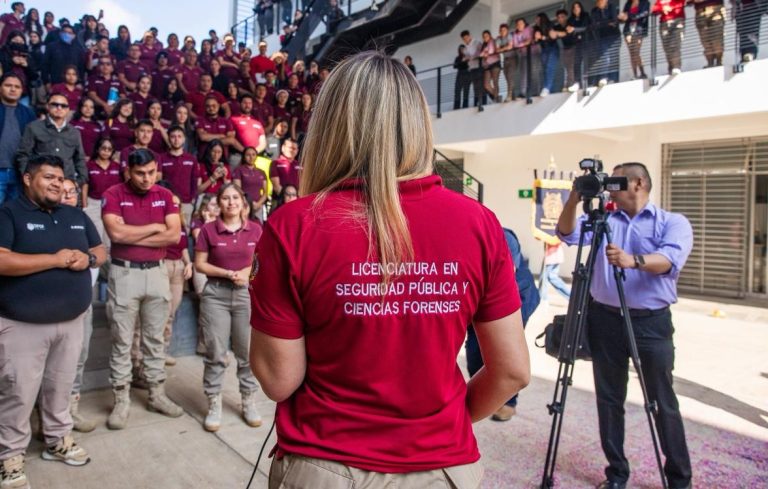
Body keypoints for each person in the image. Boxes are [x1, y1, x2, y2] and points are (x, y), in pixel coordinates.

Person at [249, 52, 530, 487]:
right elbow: (512, 371)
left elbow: (279, 381)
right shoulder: (479, 224)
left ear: (329, 127)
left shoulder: (293, 226)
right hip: (444, 469)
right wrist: (446, 423)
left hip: (326, 466)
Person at [556, 162, 693, 489]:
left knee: (662, 401)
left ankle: (679, 479)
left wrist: (633, 261)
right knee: (609, 399)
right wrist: (575, 197)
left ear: (639, 183)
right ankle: (616, 473)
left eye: (616, 180)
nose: (609, 186)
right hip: (605, 320)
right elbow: (567, 233)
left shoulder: (671, 222)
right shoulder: (603, 220)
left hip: (651, 324)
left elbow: (670, 260)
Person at [0, 155, 106, 489]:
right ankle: (9, 456)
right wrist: (55, 260)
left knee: (60, 386)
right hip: (23, 324)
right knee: (18, 392)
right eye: (49, 177)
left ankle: (57, 439)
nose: (57, 184)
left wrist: (88, 258)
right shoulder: (9, 214)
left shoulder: (75, 215)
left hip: (71, 321)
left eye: (60, 179)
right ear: (28, 178)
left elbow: (100, 250)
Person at [101, 148, 185, 430]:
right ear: (128, 171)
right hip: (124, 273)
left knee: (155, 338)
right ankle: (121, 399)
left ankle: (156, 394)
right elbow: (116, 234)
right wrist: (154, 227)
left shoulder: (164, 195)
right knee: (122, 340)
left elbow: (173, 236)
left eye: (151, 172)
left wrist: (133, 234)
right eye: (140, 173)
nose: (147, 178)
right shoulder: (114, 194)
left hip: (157, 273)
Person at [195, 183, 263, 432]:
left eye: (235, 197)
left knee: (247, 353)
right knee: (215, 352)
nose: (231, 202)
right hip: (216, 295)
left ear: (243, 201)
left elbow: (261, 262)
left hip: (245, 295)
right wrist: (227, 273)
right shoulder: (208, 230)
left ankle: (248, 400)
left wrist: (246, 272)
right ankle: (214, 402)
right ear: (219, 202)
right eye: (225, 198)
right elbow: (200, 264)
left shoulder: (255, 229)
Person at [465, 228, 540, 421]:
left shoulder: (500, 237)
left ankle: (508, 402)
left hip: (515, 295)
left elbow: (504, 280)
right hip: (477, 296)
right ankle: (489, 397)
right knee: (474, 351)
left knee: (505, 353)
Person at [16, 93, 88, 188]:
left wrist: (78, 182)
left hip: (65, 184)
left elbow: (80, 159)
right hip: (40, 184)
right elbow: (23, 155)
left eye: (63, 106)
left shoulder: (74, 132)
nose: (59, 108)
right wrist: (30, 179)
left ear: (68, 110)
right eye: (55, 104)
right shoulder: (33, 127)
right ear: (48, 106)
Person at [156, 183, 193, 367]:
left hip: (178, 267)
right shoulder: (158, 223)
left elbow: (184, 247)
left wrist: (189, 264)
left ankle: (163, 352)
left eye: (178, 204)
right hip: (161, 265)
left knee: (170, 313)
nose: (175, 207)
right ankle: (151, 355)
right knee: (158, 313)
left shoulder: (180, 224)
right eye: (172, 204)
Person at [0, 73, 35, 205]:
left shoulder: (28, 113)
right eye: (8, 85)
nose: (13, 89)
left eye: (17, 87)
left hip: (19, 172)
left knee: (14, 212)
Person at [82, 137, 120, 245]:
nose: (106, 151)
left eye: (109, 149)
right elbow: (85, 185)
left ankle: (108, 256)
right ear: (98, 149)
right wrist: (85, 206)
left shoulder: (116, 166)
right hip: (93, 203)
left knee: (109, 236)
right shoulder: (89, 165)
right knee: (96, 236)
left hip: (111, 204)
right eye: (103, 148)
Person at [158, 125, 199, 224]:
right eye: (173, 136)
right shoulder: (161, 158)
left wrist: (192, 200)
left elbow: (194, 181)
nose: (176, 139)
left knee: (185, 230)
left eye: (179, 136)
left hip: (186, 202)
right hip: (167, 201)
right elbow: (159, 181)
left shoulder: (191, 159)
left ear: (184, 139)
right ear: (168, 138)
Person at [589, 0, 622, 86]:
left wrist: (601, 23)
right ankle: (603, 77)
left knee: (613, 57)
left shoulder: (611, 6)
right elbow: (594, 25)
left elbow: (614, 21)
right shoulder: (594, 11)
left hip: (614, 36)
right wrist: (607, 23)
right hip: (602, 37)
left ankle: (613, 79)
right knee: (605, 57)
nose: (599, 2)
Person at [651, 0, 686, 76]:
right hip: (664, 24)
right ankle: (671, 68)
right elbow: (654, 8)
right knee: (666, 47)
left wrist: (671, 7)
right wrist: (662, 8)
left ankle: (676, 67)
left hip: (677, 21)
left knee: (674, 45)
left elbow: (681, 3)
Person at [618, 0, 650, 80]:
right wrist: (621, 18)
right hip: (628, 30)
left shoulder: (645, 3)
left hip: (638, 30)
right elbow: (624, 18)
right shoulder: (628, 3)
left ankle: (642, 73)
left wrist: (628, 16)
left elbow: (643, 14)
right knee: (632, 53)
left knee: (636, 52)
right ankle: (635, 74)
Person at [233, 146, 268, 219]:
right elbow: (237, 189)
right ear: (244, 156)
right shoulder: (239, 170)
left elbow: (265, 193)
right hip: (244, 205)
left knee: (258, 224)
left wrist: (258, 204)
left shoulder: (261, 172)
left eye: (253, 154)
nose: (251, 157)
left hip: (258, 206)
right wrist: (250, 203)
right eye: (248, 155)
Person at [691, 1, 725, 68]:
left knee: (717, 39)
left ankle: (719, 62)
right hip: (700, 11)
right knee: (705, 40)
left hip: (716, 9)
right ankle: (710, 63)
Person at [461, 30, 485, 108]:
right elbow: (466, 57)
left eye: (466, 38)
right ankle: (477, 102)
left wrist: (471, 57)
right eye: (464, 39)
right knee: (475, 86)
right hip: (472, 68)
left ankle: (482, 102)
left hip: (479, 66)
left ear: (469, 36)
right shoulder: (465, 48)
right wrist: (466, 58)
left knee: (481, 85)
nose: (466, 40)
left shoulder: (477, 43)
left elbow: (480, 53)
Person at [480, 30, 501, 102]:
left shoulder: (493, 41)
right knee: (486, 84)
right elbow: (481, 55)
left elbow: (491, 51)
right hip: (487, 65)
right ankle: (497, 97)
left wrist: (486, 53)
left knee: (495, 82)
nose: (485, 37)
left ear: (490, 36)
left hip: (495, 63)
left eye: (486, 36)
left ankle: (496, 98)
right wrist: (485, 53)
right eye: (484, 37)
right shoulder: (484, 45)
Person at [453, 45, 471, 109]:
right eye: (461, 49)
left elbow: (471, 65)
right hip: (460, 74)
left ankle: (465, 106)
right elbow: (454, 66)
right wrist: (462, 61)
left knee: (466, 90)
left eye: (463, 49)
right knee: (457, 90)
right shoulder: (458, 58)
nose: (462, 50)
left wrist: (466, 60)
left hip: (467, 74)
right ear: (459, 50)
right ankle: (456, 107)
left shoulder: (469, 57)